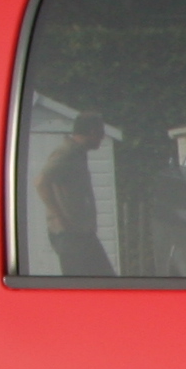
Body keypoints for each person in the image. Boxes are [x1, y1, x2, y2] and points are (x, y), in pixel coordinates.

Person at [37, 112, 112, 275]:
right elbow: (41, 182)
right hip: (69, 235)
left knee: (106, 280)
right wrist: (59, 217)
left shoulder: (79, 154)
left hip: (82, 233)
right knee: (79, 284)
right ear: (93, 132)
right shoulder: (66, 153)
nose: (102, 138)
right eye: (101, 133)